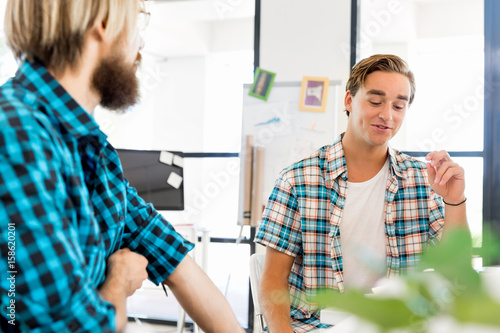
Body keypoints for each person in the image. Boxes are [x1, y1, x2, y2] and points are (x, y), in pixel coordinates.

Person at [0, 1, 244, 332]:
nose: (141, 45)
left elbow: (171, 256)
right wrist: (119, 281)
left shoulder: (92, 149)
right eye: (138, 23)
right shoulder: (14, 133)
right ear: (103, 22)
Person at [254, 54, 468, 333]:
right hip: (318, 327)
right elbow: (273, 281)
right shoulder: (297, 180)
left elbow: (456, 271)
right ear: (348, 101)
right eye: (375, 101)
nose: (387, 115)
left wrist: (453, 199)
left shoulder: (419, 179)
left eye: (399, 105)